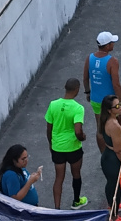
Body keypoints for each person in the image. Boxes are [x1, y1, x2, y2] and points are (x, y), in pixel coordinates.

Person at [44, 78, 89, 208]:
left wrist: (51, 143)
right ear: (77, 89)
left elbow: (49, 128)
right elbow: (78, 131)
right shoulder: (78, 108)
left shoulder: (53, 105)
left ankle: (57, 209)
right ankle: (76, 201)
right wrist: (82, 137)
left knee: (59, 179)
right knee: (76, 175)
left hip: (57, 147)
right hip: (73, 147)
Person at [98, 94, 121, 215]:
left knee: (111, 184)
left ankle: (112, 207)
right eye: (117, 106)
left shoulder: (106, 120)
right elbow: (119, 150)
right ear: (110, 110)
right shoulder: (114, 126)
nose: (120, 107)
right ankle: (114, 214)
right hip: (113, 160)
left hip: (107, 157)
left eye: (119, 104)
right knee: (116, 188)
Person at [85, 31, 121, 123]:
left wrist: (88, 93)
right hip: (111, 102)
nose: (113, 44)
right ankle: (119, 137)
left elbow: (85, 78)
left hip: (95, 99)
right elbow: (116, 84)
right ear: (107, 46)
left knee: (100, 126)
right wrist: (120, 102)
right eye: (112, 42)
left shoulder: (89, 58)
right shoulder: (113, 61)